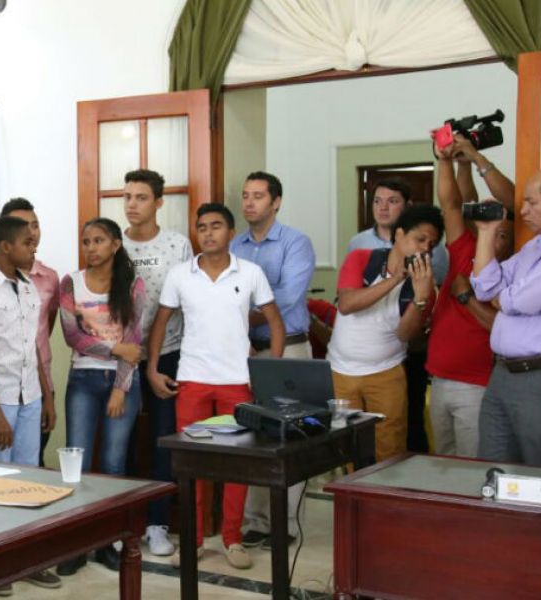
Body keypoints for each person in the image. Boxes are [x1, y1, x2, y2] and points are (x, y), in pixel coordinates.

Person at [148, 203, 284, 570]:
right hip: (192, 381)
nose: (208, 233)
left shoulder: (251, 272)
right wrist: (151, 368)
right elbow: (160, 324)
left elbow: (274, 320)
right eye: (202, 227)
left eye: (216, 226)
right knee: (192, 464)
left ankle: (232, 538)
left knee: (236, 465)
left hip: (237, 382)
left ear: (230, 231)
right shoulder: (181, 275)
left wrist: (269, 368)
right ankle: (192, 541)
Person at [0, 216, 61, 595]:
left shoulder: (28, 288)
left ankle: (26, 561)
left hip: (30, 394)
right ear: (5, 247)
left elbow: (33, 346)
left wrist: (47, 396)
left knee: (29, 480)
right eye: (26, 242)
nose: (33, 245)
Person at [56, 217, 147, 576]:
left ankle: (108, 543)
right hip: (81, 380)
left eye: (98, 241)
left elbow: (135, 343)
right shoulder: (70, 283)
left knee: (112, 465)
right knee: (74, 465)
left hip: (121, 386)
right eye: (86, 242)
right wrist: (115, 349)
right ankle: (77, 544)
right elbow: (72, 336)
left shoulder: (134, 285)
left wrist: (120, 389)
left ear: (115, 244)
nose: (91, 248)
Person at [229, 171, 315, 551]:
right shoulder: (235, 245)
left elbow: (287, 297)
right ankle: (256, 522)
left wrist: (239, 314)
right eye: (246, 195)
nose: (249, 202)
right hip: (245, 350)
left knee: (290, 436)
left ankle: (285, 522)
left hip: (289, 348)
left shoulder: (296, 243)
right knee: (253, 437)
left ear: (276, 202)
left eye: (258, 196)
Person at [329, 204, 443, 462]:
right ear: (400, 234)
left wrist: (422, 298)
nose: (425, 248)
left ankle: (382, 501)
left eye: (432, 244)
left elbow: (405, 334)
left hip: (386, 373)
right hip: (340, 372)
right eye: (420, 239)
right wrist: (395, 279)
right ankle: (350, 501)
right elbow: (347, 305)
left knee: (389, 449)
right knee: (344, 447)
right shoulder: (361, 258)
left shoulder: (426, 288)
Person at [471, 165, 541, 468]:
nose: (522, 210)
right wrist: (486, 232)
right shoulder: (535, 247)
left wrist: (506, 297)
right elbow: (486, 288)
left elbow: (519, 300)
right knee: (493, 472)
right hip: (502, 375)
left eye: (532, 202)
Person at [426, 135, 513, 457]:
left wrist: (466, 298)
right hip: (438, 378)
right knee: (444, 462)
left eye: (502, 233)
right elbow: (451, 204)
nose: (493, 237)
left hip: (476, 384)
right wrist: (445, 159)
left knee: (471, 468)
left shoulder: (512, 273)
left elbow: (504, 328)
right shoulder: (465, 249)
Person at [120, 169, 191, 557]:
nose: (132, 204)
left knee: (165, 439)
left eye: (141, 197)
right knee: (125, 440)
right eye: (127, 197)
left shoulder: (177, 245)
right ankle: (126, 522)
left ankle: (158, 524)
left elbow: (186, 302)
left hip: (169, 354)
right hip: (126, 358)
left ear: (158, 202)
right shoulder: (114, 244)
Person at [0, 198, 60, 469]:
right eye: (23, 226)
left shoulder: (50, 278)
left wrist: (47, 395)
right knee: (2, 467)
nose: (31, 232)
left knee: (35, 464)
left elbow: (47, 323)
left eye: (35, 225)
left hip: (40, 383)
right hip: (5, 388)